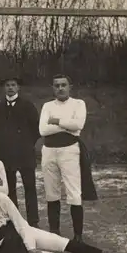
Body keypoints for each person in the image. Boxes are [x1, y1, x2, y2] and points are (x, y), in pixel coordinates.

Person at [39, 74, 97, 242]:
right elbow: (43, 130)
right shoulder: (47, 105)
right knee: (51, 192)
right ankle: (54, 233)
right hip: (49, 150)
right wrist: (66, 125)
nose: (60, 88)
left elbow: (77, 126)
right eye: (56, 85)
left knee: (73, 192)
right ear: (53, 88)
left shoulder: (78, 104)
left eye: (63, 85)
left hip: (69, 150)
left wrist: (56, 121)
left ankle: (78, 236)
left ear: (70, 86)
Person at [0, 76, 40, 228]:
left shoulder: (28, 105)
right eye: (7, 85)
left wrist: (26, 144)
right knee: (9, 188)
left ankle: (33, 222)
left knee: (30, 187)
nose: (10, 88)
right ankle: (14, 220)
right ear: (4, 88)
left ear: (18, 87)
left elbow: (36, 129)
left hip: (25, 153)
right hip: (6, 154)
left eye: (13, 85)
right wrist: (4, 144)